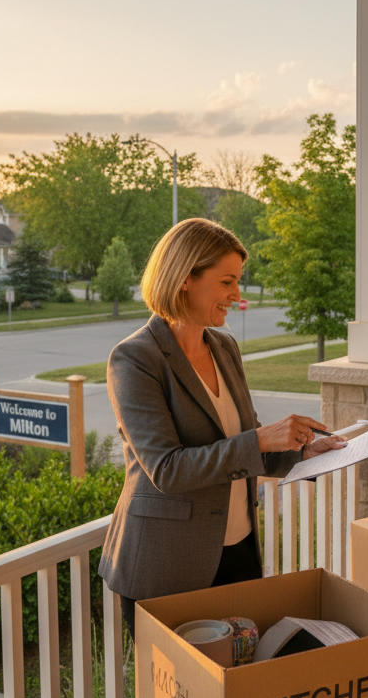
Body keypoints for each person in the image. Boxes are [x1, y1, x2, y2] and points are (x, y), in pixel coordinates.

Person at [97, 218, 347, 635]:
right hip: (167, 567)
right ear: (184, 279)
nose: (236, 294)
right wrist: (260, 439)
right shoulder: (135, 359)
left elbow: (245, 440)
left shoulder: (224, 346)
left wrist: (301, 452)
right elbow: (167, 469)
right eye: (227, 281)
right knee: (178, 697)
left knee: (239, 686)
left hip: (238, 549)